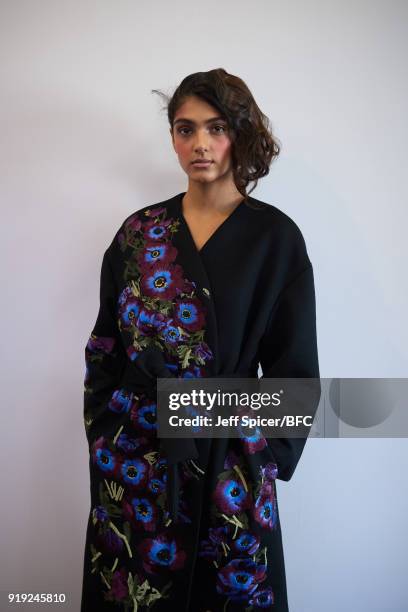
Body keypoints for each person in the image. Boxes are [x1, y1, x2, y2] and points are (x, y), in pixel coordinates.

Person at [81, 68, 320, 611]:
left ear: (241, 133)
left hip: (228, 464)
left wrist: (258, 461)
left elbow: (296, 371)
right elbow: (104, 349)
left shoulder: (274, 238)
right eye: (185, 129)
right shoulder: (139, 233)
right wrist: (106, 438)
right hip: (138, 459)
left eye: (215, 127)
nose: (200, 144)